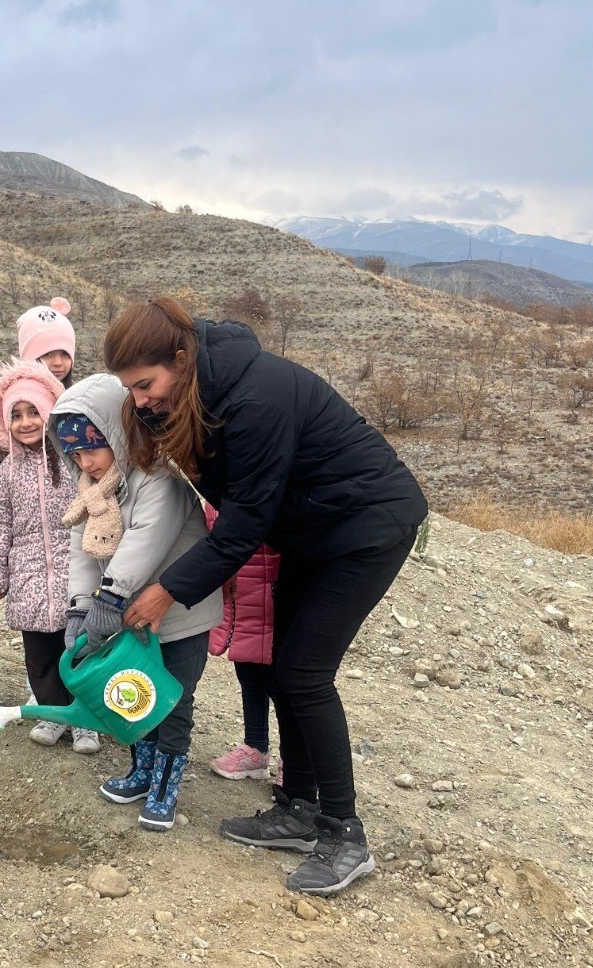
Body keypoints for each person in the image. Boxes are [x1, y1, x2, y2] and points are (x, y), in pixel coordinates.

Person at [105, 296, 427, 893]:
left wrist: (166, 591)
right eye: (132, 392)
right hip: (312, 528)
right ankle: (298, 809)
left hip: (364, 527)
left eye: (147, 385)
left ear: (182, 357)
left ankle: (343, 833)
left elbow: (243, 524)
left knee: (306, 674)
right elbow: (224, 484)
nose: (142, 399)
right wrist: (154, 419)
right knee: (284, 668)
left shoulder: (257, 399)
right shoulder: (200, 393)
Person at [48, 374, 221, 830]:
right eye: (76, 453)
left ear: (118, 434)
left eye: (93, 447)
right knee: (132, 695)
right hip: (128, 615)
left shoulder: (156, 479)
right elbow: (83, 552)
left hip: (180, 615)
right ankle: (141, 770)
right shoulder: (92, 490)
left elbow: (146, 541)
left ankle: (167, 782)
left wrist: (108, 599)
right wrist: (79, 607)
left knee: (172, 698)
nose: (85, 460)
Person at [0, 359, 94, 752]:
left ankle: (85, 720)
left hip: (73, 572)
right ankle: (53, 712)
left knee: (78, 649)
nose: (26, 422)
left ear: (50, 412)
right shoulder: (9, 468)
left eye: (34, 412)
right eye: (17, 415)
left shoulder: (72, 460)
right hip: (28, 578)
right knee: (40, 656)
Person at [0, 297, 76, 530]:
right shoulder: (4, 413)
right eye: (48, 353)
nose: (58, 362)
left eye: (65, 353)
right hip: (20, 538)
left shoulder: (77, 409)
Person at [204, 505, 283, 784]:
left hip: (273, 591)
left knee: (281, 683)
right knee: (248, 671)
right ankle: (255, 748)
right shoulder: (220, 490)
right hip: (239, 597)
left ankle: (293, 759)